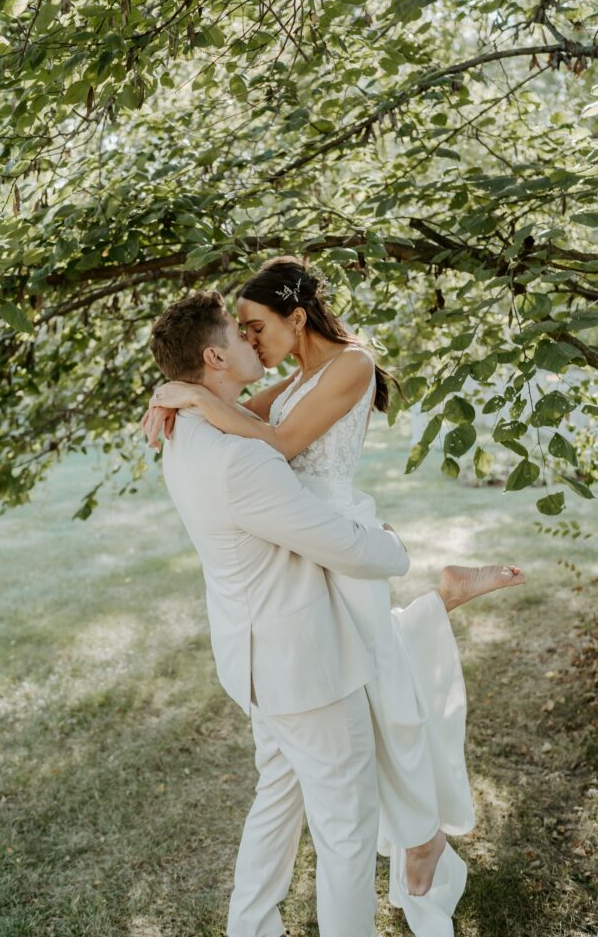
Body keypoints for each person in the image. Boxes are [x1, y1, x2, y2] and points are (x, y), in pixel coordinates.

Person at [144, 260, 525, 937]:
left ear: (296, 316)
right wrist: (179, 390)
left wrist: (195, 398)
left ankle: (419, 833)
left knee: (389, 697)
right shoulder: (284, 387)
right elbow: (247, 418)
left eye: (257, 326)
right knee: (385, 695)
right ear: (215, 353)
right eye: (242, 332)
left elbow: (278, 438)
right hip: (315, 565)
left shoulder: (349, 364)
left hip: (329, 544)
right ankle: (421, 831)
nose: (253, 341)